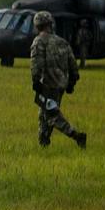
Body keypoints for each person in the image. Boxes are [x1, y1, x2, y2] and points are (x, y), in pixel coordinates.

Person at [29, 10, 87, 149]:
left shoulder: (39, 41)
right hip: (60, 86)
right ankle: (44, 143)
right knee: (44, 115)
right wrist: (71, 83)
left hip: (47, 86)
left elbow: (36, 64)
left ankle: (76, 135)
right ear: (50, 24)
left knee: (51, 116)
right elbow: (73, 66)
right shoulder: (62, 42)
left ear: (37, 25)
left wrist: (36, 82)